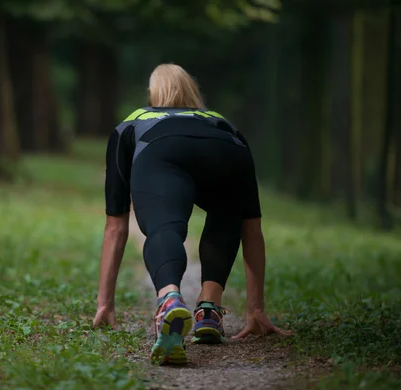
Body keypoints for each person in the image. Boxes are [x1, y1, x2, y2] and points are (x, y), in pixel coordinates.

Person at [92, 63, 291, 365]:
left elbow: (115, 228)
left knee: (165, 227)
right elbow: (251, 228)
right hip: (225, 151)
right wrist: (256, 309)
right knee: (228, 213)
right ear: (193, 91)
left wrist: (105, 303)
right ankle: (209, 308)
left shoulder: (134, 121)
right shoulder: (221, 123)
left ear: (152, 94)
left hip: (160, 150)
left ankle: (169, 298)